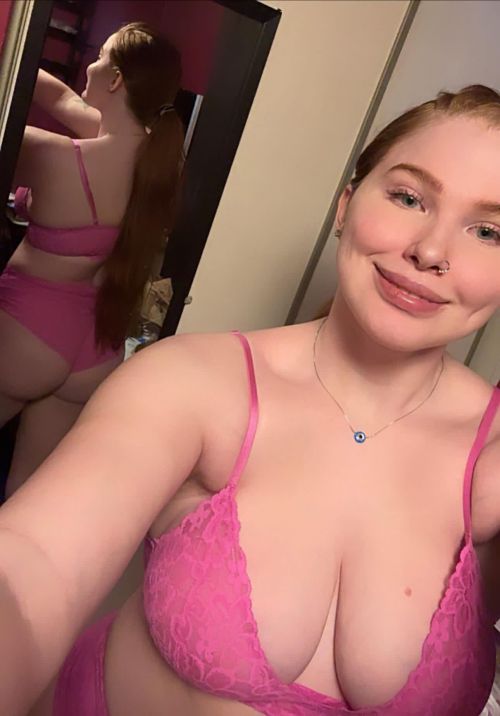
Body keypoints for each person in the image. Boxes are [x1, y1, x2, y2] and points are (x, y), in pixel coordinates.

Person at [1, 84, 500, 716]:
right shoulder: (193, 383)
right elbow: (35, 564)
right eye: (408, 198)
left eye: (488, 231)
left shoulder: (490, 455)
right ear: (346, 204)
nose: (429, 251)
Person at [0, 22, 184, 497]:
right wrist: (13, 50)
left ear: (116, 79)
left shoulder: (53, 155)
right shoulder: (155, 162)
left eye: (100, 57)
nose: (90, 65)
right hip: (96, 348)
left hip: (32, 331)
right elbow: (61, 97)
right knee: (26, 495)